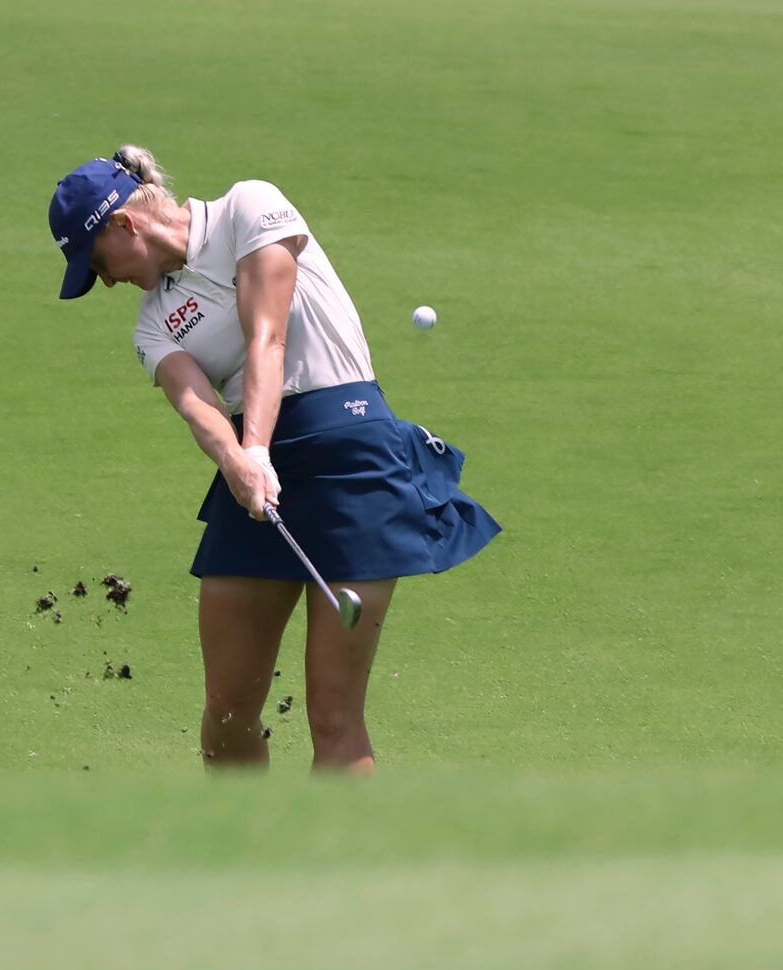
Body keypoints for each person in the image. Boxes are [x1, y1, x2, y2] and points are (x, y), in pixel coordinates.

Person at [47, 144, 500, 773]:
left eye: (95, 262)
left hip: (350, 454)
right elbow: (197, 402)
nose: (102, 280)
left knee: (333, 714)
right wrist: (236, 460)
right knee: (226, 714)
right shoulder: (152, 324)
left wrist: (253, 447)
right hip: (252, 481)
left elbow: (268, 334)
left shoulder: (248, 207)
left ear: (124, 224)